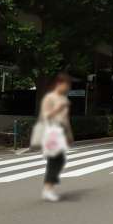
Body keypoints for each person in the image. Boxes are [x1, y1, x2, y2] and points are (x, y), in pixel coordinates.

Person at [39, 73, 74, 202]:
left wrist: (69, 135)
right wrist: (58, 109)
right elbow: (45, 116)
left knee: (59, 160)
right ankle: (47, 189)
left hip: (62, 132)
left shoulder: (64, 99)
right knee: (54, 160)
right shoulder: (49, 98)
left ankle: (49, 188)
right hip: (52, 131)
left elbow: (66, 119)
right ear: (59, 84)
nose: (67, 88)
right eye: (66, 85)